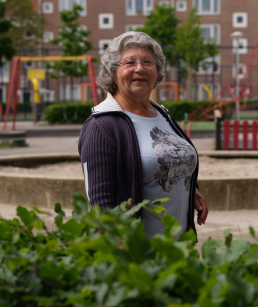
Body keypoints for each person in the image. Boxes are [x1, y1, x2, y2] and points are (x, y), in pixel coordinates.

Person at [79, 31, 208, 237]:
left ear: (157, 70)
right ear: (113, 72)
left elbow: (164, 162)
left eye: (147, 62)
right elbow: (101, 204)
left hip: (179, 248)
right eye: (129, 62)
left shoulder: (163, 115)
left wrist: (189, 188)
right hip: (140, 255)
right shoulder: (101, 126)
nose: (139, 68)